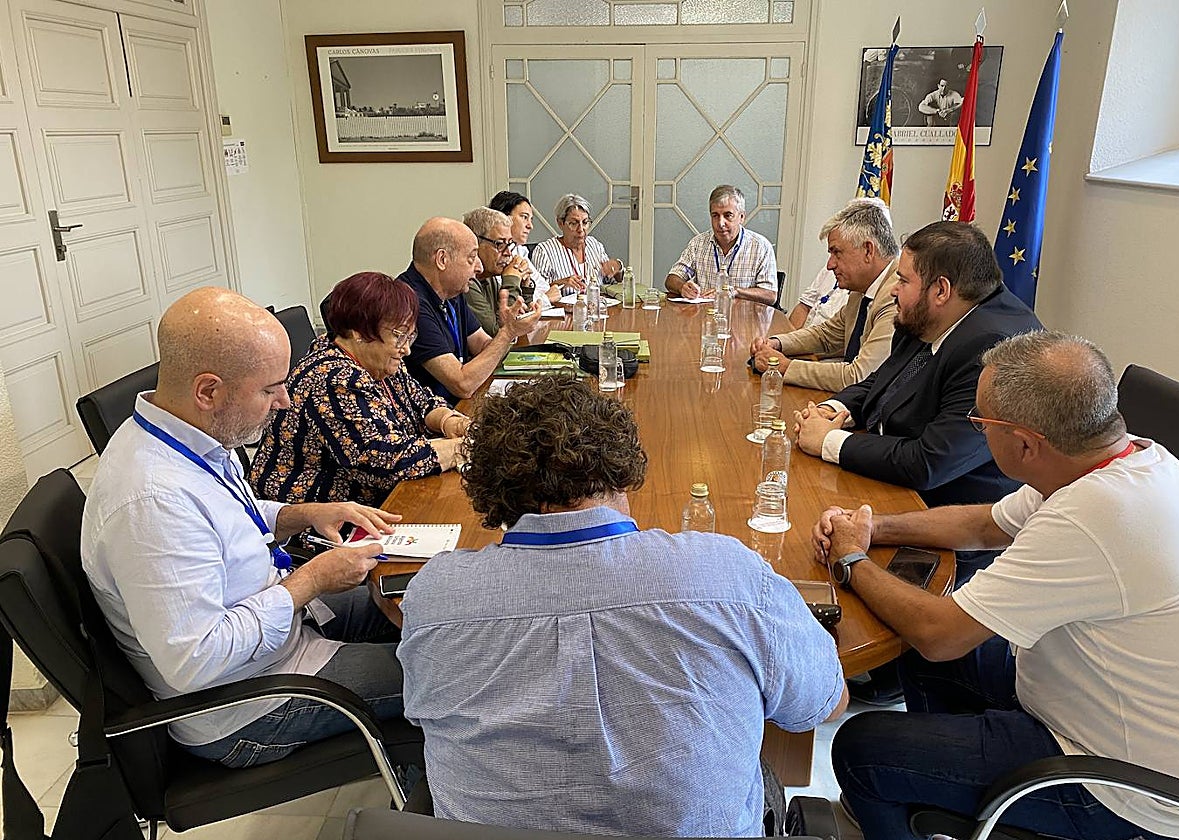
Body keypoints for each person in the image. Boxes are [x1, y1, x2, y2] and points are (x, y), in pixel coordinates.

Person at [397, 376, 847, 838]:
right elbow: (822, 705)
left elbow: (424, 714)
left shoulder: (433, 595)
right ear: (620, 468)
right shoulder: (726, 574)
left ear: (492, 491)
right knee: (756, 770)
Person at [815, 331, 1179, 840]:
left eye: (981, 421)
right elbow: (983, 524)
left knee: (859, 750)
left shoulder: (1092, 517)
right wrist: (873, 526)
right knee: (908, 650)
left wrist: (851, 559)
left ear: (1024, 443)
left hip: (1119, 784)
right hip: (1085, 700)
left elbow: (940, 633)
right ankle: (938, 798)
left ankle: (927, 796)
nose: (976, 428)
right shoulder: (1129, 460)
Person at [81, 287, 419, 768]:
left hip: (280, 631)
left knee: (430, 607)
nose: (285, 401)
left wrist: (303, 513)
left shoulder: (187, 433)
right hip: (249, 701)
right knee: (450, 670)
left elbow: (221, 515)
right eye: (269, 389)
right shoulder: (151, 500)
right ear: (208, 391)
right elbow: (196, 659)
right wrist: (313, 579)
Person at [792, 221, 1042, 513]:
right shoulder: (929, 313)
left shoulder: (993, 348)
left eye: (903, 280)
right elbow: (882, 382)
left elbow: (930, 461)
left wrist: (828, 440)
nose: (894, 291)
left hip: (948, 516)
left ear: (941, 290)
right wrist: (833, 410)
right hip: (890, 480)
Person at [251, 272, 468, 508]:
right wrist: (462, 447)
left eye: (410, 336)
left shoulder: (381, 363)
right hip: (316, 517)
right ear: (359, 333)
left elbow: (422, 402)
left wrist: (449, 421)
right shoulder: (334, 380)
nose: (406, 349)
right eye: (398, 336)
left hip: (368, 503)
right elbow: (385, 464)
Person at [750, 198, 899, 391]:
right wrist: (777, 342)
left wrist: (784, 367)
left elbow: (859, 376)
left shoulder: (896, 294)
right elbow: (826, 335)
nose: (830, 265)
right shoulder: (861, 287)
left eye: (837, 253)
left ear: (868, 250)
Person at [398, 217, 542, 402]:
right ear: (442, 259)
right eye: (471, 258)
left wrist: (509, 331)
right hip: (434, 419)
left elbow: (483, 346)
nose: (479, 267)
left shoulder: (452, 293)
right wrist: (507, 334)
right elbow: (461, 384)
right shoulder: (410, 303)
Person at [664, 184, 778, 306]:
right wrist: (683, 287)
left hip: (744, 319)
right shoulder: (698, 244)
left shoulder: (761, 247)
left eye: (728, 215)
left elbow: (770, 295)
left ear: (741, 217)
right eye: (715, 216)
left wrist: (735, 291)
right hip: (703, 318)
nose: (721, 223)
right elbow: (671, 279)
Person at [488, 190, 564, 306]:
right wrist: (544, 299)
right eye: (524, 217)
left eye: (531, 219)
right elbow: (505, 299)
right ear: (504, 218)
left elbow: (544, 287)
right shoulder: (492, 251)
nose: (530, 226)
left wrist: (533, 292)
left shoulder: (519, 250)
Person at [530, 193, 623, 287]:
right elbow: (537, 291)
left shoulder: (594, 244)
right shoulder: (544, 251)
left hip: (596, 300)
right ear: (560, 223)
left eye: (585, 222)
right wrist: (561, 283)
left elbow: (611, 280)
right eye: (574, 223)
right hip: (563, 301)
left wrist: (616, 268)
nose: (581, 229)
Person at [461, 207, 527, 337]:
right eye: (500, 244)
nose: (508, 252)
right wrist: (511, 280)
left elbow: (520, 323)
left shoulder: (490, 276)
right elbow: (498, 334)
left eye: (509, 244)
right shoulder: (466, 283)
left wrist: (525, 287)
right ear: (475, 243)